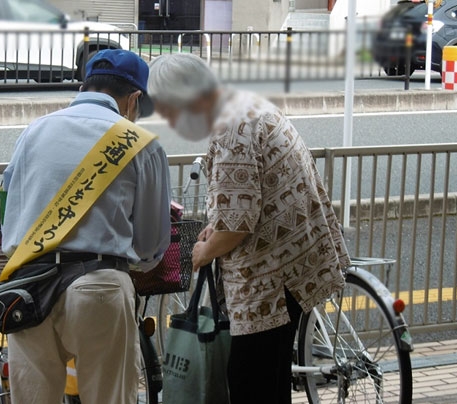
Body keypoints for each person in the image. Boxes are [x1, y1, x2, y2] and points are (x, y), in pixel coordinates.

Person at [148, 53, 351, 404]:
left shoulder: (230, 132)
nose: (170, 119)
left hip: (271, 280)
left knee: (249, 381)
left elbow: (237, 227)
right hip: (296, 262)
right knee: (270, 380)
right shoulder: (246, 106)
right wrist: (217, 227)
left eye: (168, 109)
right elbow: (248, 202)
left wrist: (204, 251)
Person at [1, 49, 171, 404]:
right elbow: (151, 244)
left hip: (29, 286)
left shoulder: (34, 132)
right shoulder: (140, 144)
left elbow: (10, 214)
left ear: (86, 85)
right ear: (134, 99)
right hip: (100, 284)